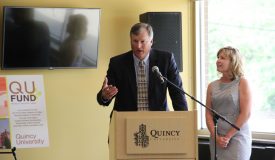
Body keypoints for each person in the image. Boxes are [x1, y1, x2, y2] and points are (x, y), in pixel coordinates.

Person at [97, 22, 188, 113]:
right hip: (126, 120)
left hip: (158, 121)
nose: (138, 46)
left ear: (151, 41)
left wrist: (184, 119)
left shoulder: (166, 60)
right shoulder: (117, 63)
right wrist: (104, 96)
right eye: (135, 41)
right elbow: (104, 96)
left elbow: (177, 93)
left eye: (142, 41)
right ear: (130, 40)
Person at [205, 46, 252, 160]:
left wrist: (228, 136)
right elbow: (208, 114)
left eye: (223, 58)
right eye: (218, 57)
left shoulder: (242, 83)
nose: (218, 61)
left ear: (233, 62)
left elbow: (246, 113)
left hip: (237, 136)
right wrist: (216, 137)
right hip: (217, 137)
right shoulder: (212, 86)